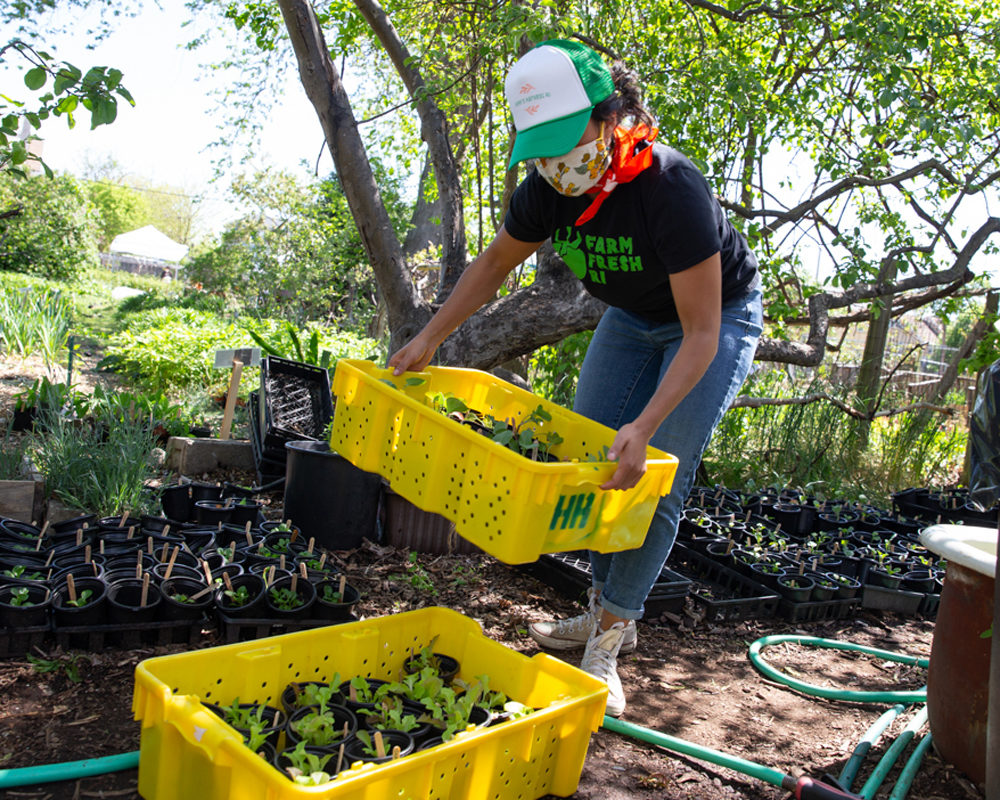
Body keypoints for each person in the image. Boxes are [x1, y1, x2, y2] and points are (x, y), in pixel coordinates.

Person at [389, 38, 762, 716]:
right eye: (542, 149)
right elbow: (494, 264)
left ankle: (612, 639)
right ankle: (600, 612)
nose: (558, 163)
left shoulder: (670, 187)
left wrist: (645, 425)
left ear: (609, 116)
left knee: (655, 472)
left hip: (714, 322)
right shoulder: (548, 192)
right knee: (591, 461)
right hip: (631, 317)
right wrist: (428, 339)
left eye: (567, 140)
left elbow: (703, 332)